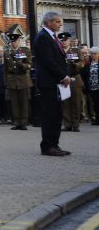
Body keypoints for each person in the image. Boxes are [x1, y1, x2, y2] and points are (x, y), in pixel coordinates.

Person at [33, 12, 73, 156]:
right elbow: (48, 61)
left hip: (56, 82)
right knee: (50, 115)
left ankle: (54, 144)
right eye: (57, 22)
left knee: (57, 114)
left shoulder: (52, 37)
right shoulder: (43, 37)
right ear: (48, 22)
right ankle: (48, 146)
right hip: (48, 83)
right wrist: (63, 76)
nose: (60, 24)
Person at [4, 34, 33, 130]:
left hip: (22, 78)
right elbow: (5, 69)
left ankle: (24, 122)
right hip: (12, 79)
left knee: (24, 102)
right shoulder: (7, 52)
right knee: (14, 103)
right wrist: (6, 81)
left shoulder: (25, 50)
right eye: (11, 41)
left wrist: (22, 65)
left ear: (19, 41)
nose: (13, 43)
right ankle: (17, 122)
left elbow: (29, 64)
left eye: (15, 41)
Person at [80, 46, 99, 126]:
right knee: (95, 104)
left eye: (95, 54)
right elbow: (83, 75)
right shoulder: (88, 63)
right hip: (92, 87)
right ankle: (97, 119)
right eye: (92, 54)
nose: (93, 55)